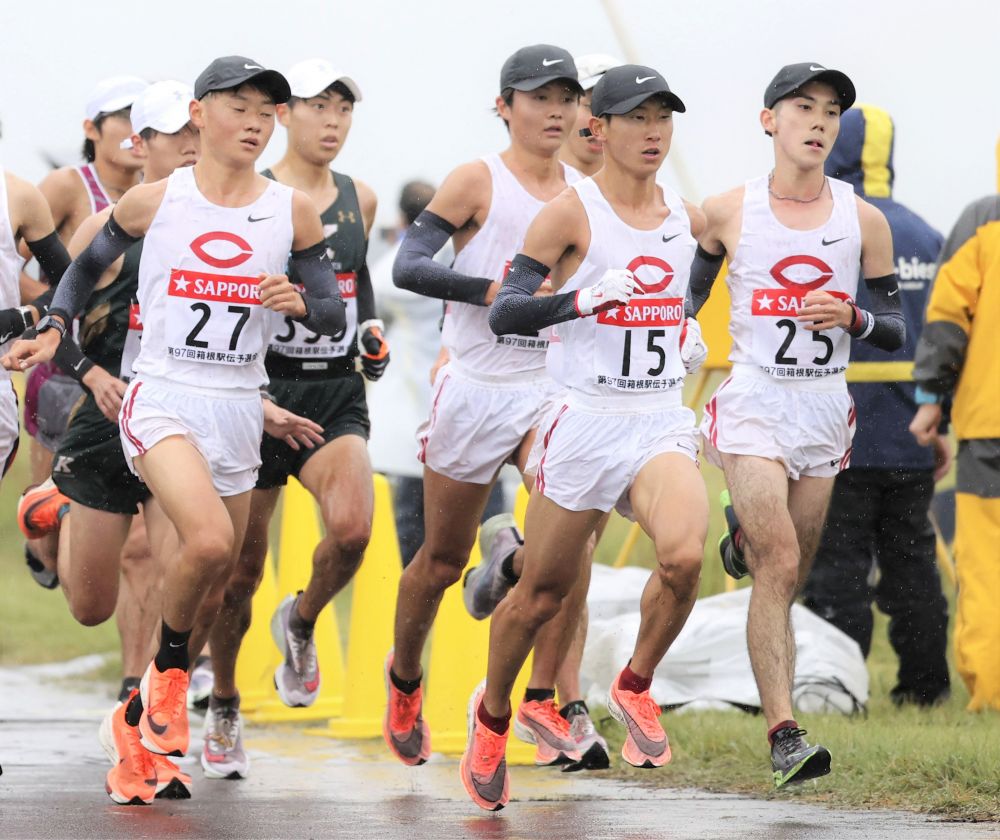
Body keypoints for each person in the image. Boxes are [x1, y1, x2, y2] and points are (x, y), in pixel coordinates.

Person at [4, 55, 347, 806]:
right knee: (199, 548)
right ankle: (164, 682)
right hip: (156, 397)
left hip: (235, 404)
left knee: (206, 578)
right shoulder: (153, 202)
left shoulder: (290, 212)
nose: (256, 122)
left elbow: (329, 312)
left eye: (268, 110)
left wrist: (300, 304)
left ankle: (139, 725)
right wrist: (56, 331)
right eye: (239, 107)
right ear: (200, 114)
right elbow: (78, 269)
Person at [461, 64, 708, 811]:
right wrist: (580, 300)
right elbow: (505, 313)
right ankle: (494, 715)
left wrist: (685, 327)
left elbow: (680, 294)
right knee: (540, 594)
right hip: (584, 419)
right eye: (637, 117)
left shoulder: (683, 218)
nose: (654, 132)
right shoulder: (572, 213)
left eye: (665, 117)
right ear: (598, 127)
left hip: (658, 416)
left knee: (687, 554)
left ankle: (634, 685)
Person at [690, 63, 903, 787]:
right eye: (803, 107)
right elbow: (684, 300)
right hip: (753, 399)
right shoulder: (727, 211)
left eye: (832, 112)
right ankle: (784, 733)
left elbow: (896, 329)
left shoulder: (862, 218)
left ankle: (743, 535)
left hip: (822, 406)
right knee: (779, 563)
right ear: (769, 121)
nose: (819, 122)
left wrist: (854, 316)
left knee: (787, 568)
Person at [385, 44, 588, 770]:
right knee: (437, 561)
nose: (554, 112)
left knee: (570, 548)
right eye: (538, 98)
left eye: (566, 98)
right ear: (504, 106)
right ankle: (405, 676)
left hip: (551, 391)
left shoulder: (585, 192)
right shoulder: (479, 179)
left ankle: (529, 703)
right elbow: (409, 266)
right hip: (473, 383)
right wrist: (497, 298)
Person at [204, 58, 388, 779]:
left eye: (345, 110)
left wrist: (368, 334)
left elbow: (356, 282)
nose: (334, 123)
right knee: (241, 570)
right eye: (319, 107)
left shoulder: (360, 198)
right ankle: (223, 704)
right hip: (256, 393)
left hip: (333, 392)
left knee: (353, 532)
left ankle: (303, 621)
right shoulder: (255, 197)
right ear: (285, 115)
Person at [459, 52, 625, 769]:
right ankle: (552, 699)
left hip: (590, 393)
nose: (583, 116)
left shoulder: (625, 193)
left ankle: (553, 691)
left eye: (592, 103)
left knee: (574, 551)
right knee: (568, 552)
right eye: (578, 102)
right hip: (514, 380)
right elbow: (502, 297)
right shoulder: (548, 191)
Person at [801, 105, 950, 708]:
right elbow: (944, 337)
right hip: (915, 435)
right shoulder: (928, 236)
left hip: (841, 432)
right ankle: (925, 689)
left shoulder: (834, 226)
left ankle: (838, 690)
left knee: (837, 567)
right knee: (913, 567)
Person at [20, 76, 149, 587]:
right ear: (91, 128)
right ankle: (45, 543)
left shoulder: (158, 196)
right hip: (62, 367)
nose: (136, 130)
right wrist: (55, 308)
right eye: (123, 117)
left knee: (132, 543)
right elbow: (17, 266)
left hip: (126, 369)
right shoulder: (68, 186)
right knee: (49, 523)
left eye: (145, 119)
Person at [910, 193, 1000, 713]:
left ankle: (991, 694)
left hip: (990, 430)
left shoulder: (983, 220)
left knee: (987, 567)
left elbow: (947, 317)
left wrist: (930, 399)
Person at [368, 180, 452, 565]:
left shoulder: (394, 268)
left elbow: (372, 302)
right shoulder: (458, 256)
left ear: (403, 217)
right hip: (453, 400)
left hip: (405, 405)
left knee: (408, 523)